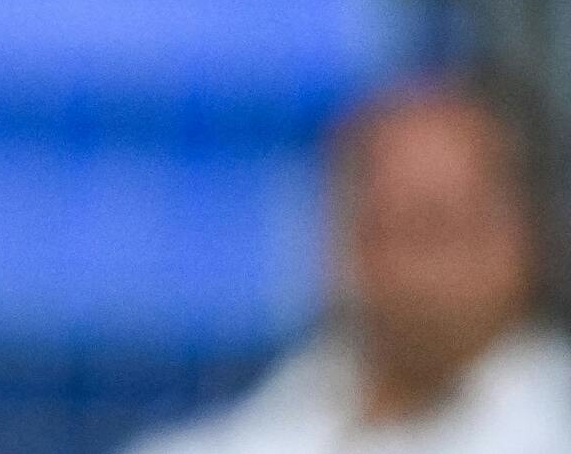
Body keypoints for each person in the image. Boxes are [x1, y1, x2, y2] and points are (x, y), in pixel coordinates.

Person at [124, 76, 571, 454]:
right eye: (376, 223)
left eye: (431, 225)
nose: (399, 265)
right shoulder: (308, 391)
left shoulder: (547, 424)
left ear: (522, 237)